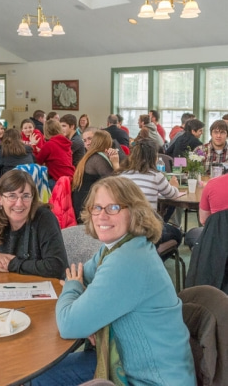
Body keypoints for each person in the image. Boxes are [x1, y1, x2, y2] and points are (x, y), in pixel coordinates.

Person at [34, 176, 195, 385]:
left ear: (134, 212)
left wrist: (75, 290)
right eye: (97, 207)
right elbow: (81, 275)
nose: (102, 215)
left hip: (151, 379)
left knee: (40, 376)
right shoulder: (118, 247)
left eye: (114, 207)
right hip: (136, 361)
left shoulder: (127, 260)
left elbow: (68, 323)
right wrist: (89, 313)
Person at [117, 138, 182, 246]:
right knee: (177, 234)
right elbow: (173, 195)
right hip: (147, 229)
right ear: (153, 157)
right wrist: (174, 185)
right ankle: (156, 256)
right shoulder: (155, 175)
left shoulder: (121, 175)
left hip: (124, 228)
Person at [72, 130, 120, 223]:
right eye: (85, 140)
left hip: (83, 204)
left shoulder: (89, 157)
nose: (88, 143)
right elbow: (115, 184)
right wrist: (116, 163)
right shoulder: (97, 159)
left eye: (90, 139)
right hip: (88, 208)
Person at [36, 119, 75, 189]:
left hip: (58, 181)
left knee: (38, 186)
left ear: (46, 131)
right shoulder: (66, 143)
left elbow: (37, 162)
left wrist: (34, 149)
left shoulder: (49, 145)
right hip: (70, 178)